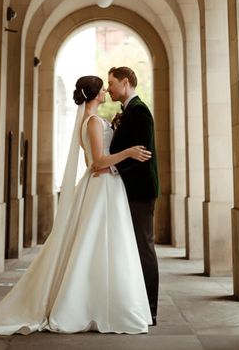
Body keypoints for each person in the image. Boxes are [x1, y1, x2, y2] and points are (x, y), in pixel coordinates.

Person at [0, 75, 153, 335]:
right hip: (102, 187)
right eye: (103, 87)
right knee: (99, 243)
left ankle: (102, 302)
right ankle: (93, 305)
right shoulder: (94, 122)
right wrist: (128, 153)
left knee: (101, 244)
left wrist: (110, 163)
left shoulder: (87, 122)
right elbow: (96, 162)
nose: (107, 90)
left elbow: (91, 163)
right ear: (95, 94)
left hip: (104, 184)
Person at [101, 66, 160, 325]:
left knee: (144, 246)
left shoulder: (140, 110)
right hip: (129, 189)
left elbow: (142, 153)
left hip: (140, 191)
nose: (109, 88)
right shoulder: (128, 112)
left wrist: (112, 166)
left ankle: (150, 308)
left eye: (112, 83)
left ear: (125, 83)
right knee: (133, 247)